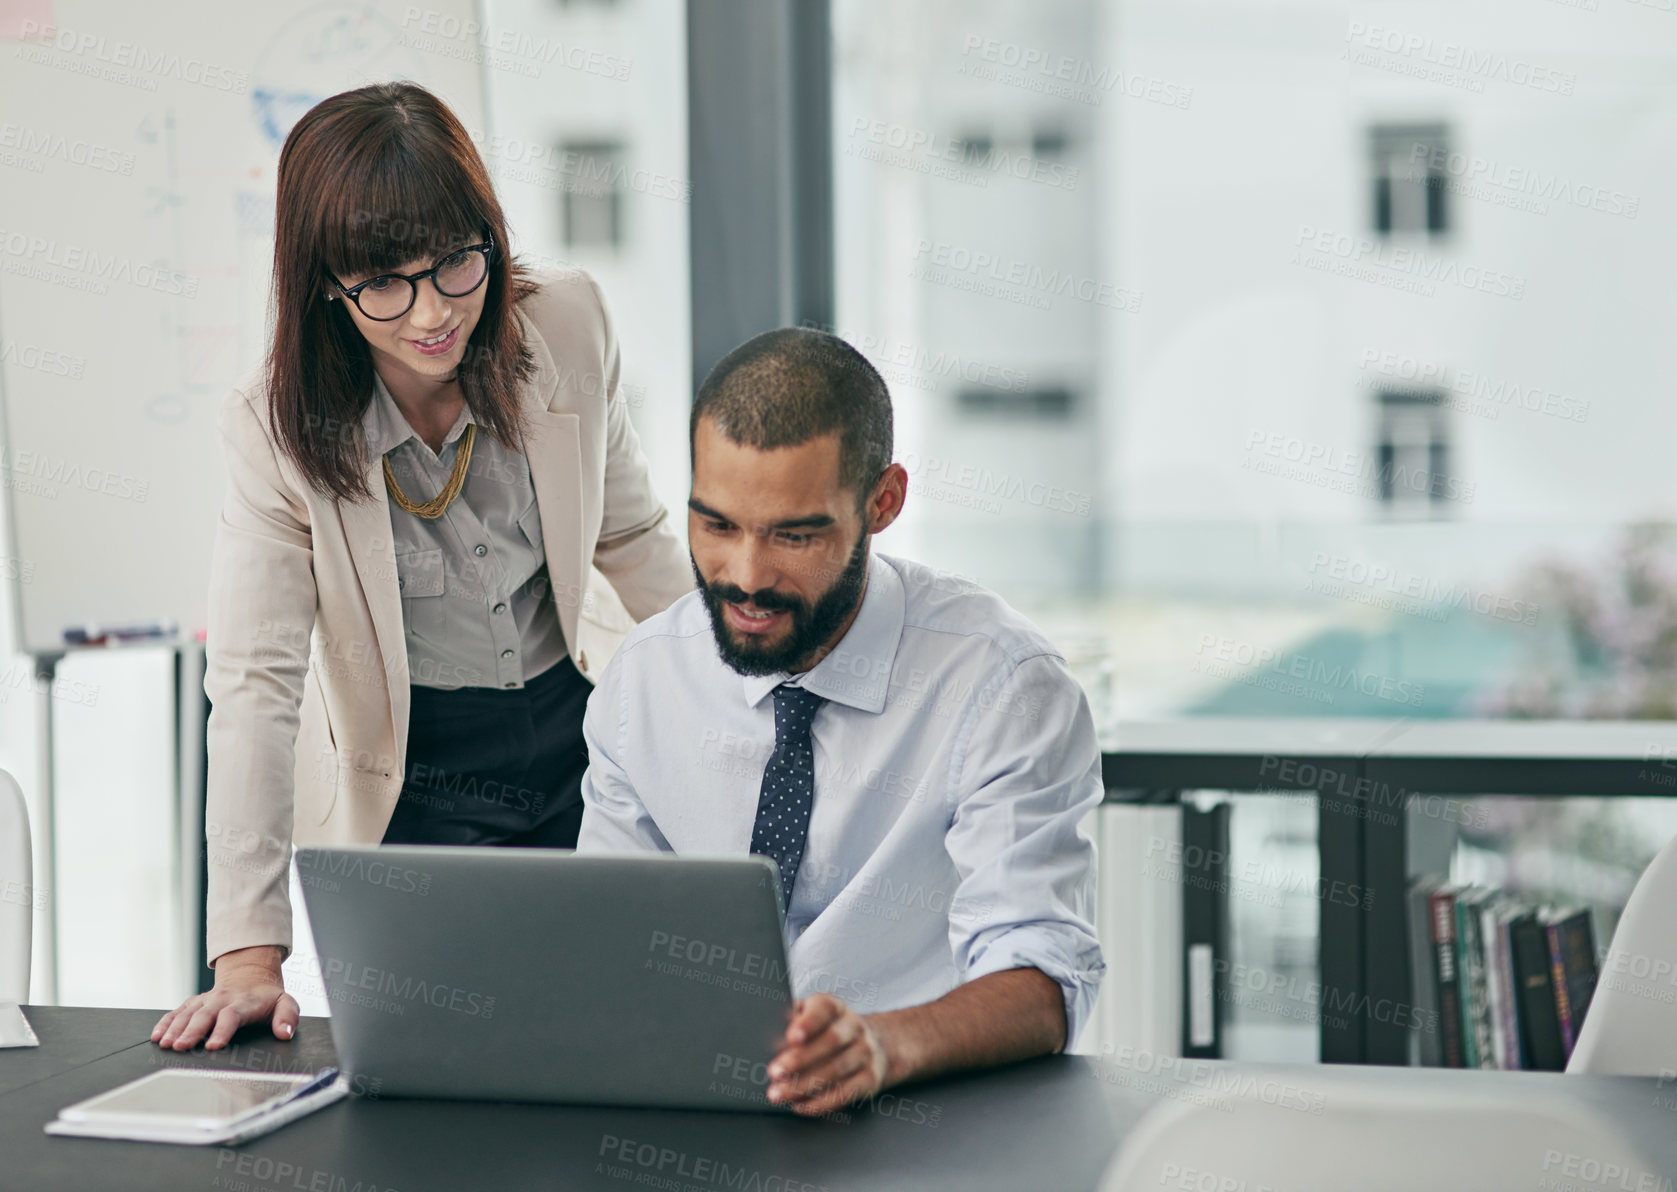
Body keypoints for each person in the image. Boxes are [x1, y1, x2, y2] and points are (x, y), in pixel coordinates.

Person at [152, 82, 690, 1052]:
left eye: (454, 264)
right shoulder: (274, 430)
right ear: (327, 282)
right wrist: (247, 958)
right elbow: (256, 687)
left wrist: (756, 694)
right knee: (454, 1066)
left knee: (610, 1038)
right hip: (414, 778)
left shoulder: (567, 326)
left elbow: (633, 543)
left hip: (579, 736)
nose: (433, 312)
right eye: (385, 283)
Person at [576, 327, 1105, 1115]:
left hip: (927, 1115)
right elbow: (606, 943)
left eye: (794, 534)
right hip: (698, 1111)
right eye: (717, 525)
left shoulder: (1001, 685)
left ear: (881, 503)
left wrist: (883, 1045)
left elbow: (1042, 978)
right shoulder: (644, 679)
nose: (747, 577)